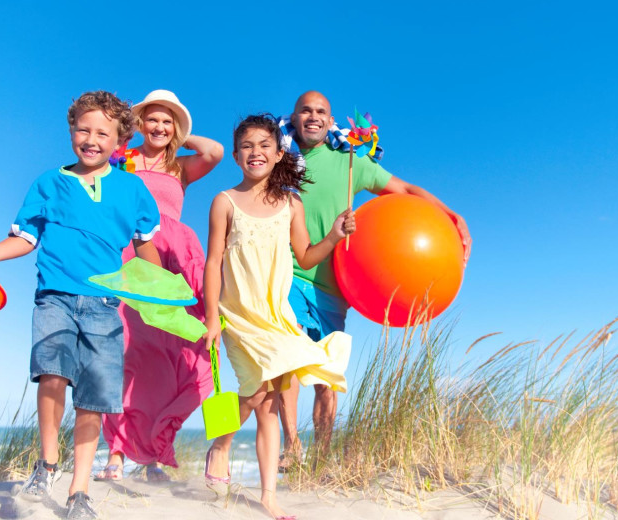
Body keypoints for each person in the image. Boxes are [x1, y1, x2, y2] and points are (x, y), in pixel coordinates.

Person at [0, 91, 162, 519]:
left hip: (105, 305)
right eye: (83, 130)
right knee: (51, 372)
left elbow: (146, 247)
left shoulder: (132, 188)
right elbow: (26, 237)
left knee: (93, 397)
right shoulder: (48, 183)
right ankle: (48, 462)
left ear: (119, 141)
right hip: (54, 295)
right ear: (72, 131)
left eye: (102, 133)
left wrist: (163, 290)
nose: (91, 139)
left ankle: (79, 491)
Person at [277, 91, 473, 464]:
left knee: (326, 376)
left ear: (330, 119)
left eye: (321, 111)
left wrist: (451, 214)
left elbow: (403, 190)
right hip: (288, 271)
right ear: (295, 115)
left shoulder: (351, 158)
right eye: (306, 110)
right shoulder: (282, 158)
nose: (313, 116)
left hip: (335, 284)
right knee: (286, 357)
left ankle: (321, 455)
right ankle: (290, 447)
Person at [202, 114, 355, 520]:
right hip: (238, 314)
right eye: (248, 146)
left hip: (277, 317)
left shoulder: (291, 203)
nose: (256, 152)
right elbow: (213, 261)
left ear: (278, 152)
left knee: (269, 402)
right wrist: (212, 317)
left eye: (264, 145)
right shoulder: (224, 201)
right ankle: (219, 444)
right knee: (254, 394)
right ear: (236, 156)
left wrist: (335, 236)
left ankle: (268, 496)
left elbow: (305, 256)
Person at [97, 90, 223, 482]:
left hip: (174, 260)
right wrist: (128, 137)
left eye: (167, 121)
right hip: (131, 258)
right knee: (126, 350)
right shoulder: (123, 161)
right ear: (138, 124)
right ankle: (116, 453)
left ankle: (153, 454)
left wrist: (178, 135)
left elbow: (216, 152)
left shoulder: (180, 167)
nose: (159, 127)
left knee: (172, 356)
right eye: (152, 119)